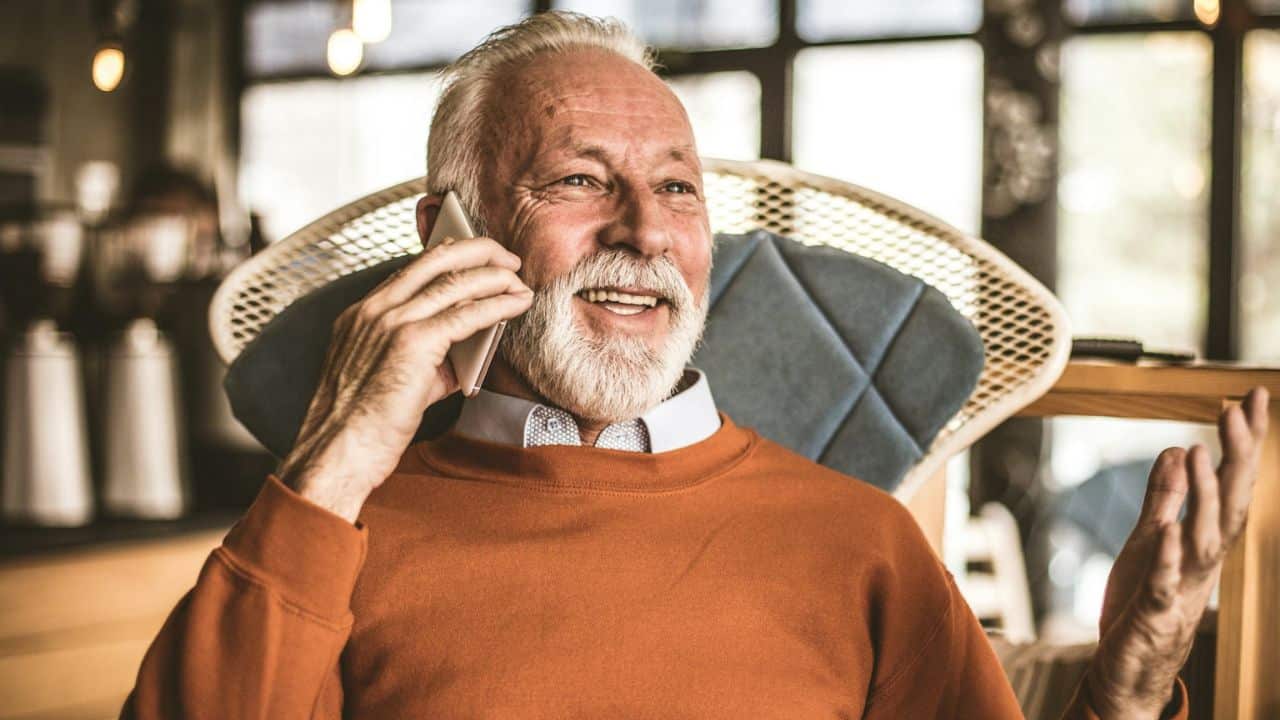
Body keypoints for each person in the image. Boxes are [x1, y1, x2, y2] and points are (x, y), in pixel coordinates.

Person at [122, 12, 1270, 719]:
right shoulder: (330, 541)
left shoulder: (858, 540)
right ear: (451, 230)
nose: (642, 228)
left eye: (676, 186)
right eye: (577, 179)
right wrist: (333, 465)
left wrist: (1124, 692)